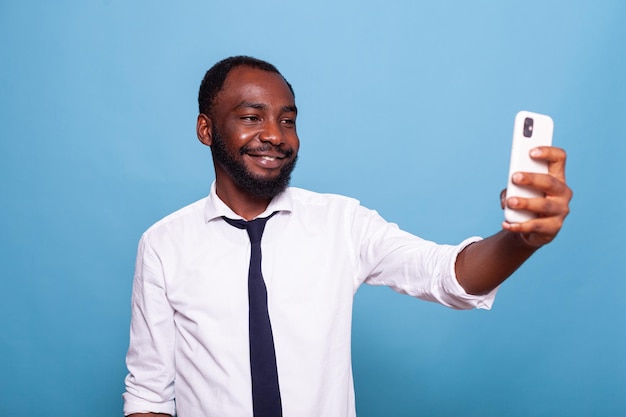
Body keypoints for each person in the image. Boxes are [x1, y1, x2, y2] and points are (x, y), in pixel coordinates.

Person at [122, 56, 572, 417]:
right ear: (206, 130)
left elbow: (444, 275)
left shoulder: (341, 222)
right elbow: (149, 396)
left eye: (288, 120)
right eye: (251, 117)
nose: (276, 136)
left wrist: (520, 240)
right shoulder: (164, 245)